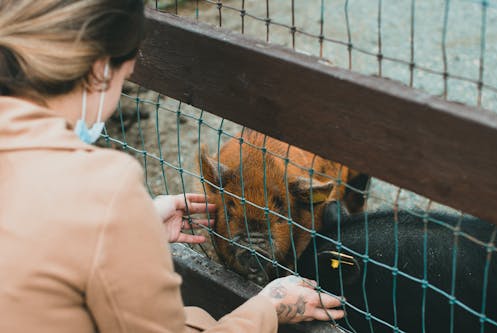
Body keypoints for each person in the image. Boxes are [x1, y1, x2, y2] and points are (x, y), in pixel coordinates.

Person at [0, 1, 345, 332]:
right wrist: (268, 308)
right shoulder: (106, 185)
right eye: (126, 77)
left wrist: (136, 226)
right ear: (100, 70)